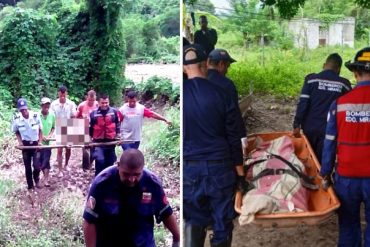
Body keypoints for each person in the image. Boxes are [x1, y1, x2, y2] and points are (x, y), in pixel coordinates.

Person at [183, 44, 247, 247]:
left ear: (185, 68)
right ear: (205, 64)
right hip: (220, 167)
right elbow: (234, 136)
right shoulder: (223, 93)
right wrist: (240, 173)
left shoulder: (181, 95)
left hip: (190, 168)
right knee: (222, 222)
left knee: (194, 219)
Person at [321, 47, 370, 247]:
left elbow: (329, 142)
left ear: (355, 73)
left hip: (346, 178)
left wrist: (325, 172)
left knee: (348, 224)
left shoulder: (339, 104)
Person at [83, 149, 180, 247]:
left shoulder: (152, 183)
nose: (131, 179)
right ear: (118, 165)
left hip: (142, 242)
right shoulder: (102, 183)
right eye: (126, 174)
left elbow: (166, 212)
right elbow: (90, 220)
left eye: (137, 175)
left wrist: (177, 238)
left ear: (142, 169)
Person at [293, 53, 351, 162]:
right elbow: (348, 110)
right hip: (329, 131)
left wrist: (296, 124)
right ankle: (323, 177)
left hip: (309, 128)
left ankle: (309, 177)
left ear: (324, 65)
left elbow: (303, 104)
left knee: (308, 158)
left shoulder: (311, 80)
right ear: (338, 69)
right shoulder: (344, 84)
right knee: (323, 161)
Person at [11, 98, 43, 192]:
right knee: (27, 166)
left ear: (27, 107)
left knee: (37, 166)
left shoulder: (35, 116)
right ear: (19, 110)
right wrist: (20, 142)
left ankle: (36, 180)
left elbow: (41, 130)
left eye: (25, 109)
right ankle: (30, 186)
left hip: (35, 144)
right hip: (25, 146)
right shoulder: (17, 119)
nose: (24, 111)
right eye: (21, 110)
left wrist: (40, 142)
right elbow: (16, 131)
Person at [89, 94, 120, 176]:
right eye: (102, 103)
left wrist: (118, 137)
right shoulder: (93, 114)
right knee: (100, 161)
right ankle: (98, 181)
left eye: (106, 102)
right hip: (98, 144)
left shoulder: (114, 112)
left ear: (109, 102)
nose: (104, 105)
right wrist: (89, 140)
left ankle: (107, 181)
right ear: (98, 103)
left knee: (110, 163)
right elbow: (90, 129)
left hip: (111, 143)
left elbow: (117, 125)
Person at [50, 85, 77, 177]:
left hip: (68, 127)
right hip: (58, 127)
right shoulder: (53, 104)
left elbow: (74, 116)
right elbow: (52, 117)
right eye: (61, 94)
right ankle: (60, 170)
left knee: (68, 149)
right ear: (58, 93)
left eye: (64, 94)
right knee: (59, 150)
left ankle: (66, 164)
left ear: (66, 94)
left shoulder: (71, 104)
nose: (62, 96)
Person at [39, 97, 55, 187]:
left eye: (48, 104)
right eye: (45, 104)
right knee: (38, 162)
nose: (46, 106)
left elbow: (53, 127)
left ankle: (46, 179)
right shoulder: (37, 115)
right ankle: (38, 178)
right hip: (38, 143)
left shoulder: (52, 115)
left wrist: (49, 136)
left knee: (46, 161)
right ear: (41, 105)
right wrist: (41, 137)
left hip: (48, 143)